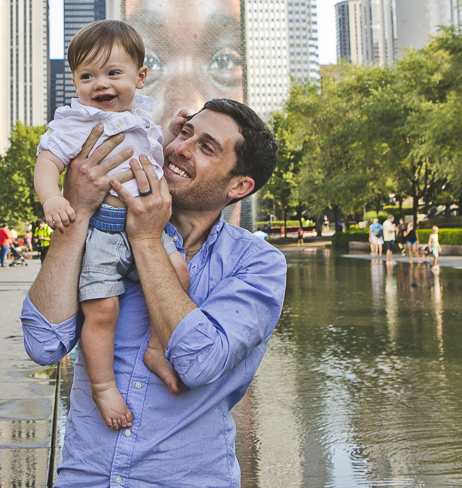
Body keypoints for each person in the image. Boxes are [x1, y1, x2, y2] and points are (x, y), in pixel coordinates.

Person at [22, 98, 285, 486]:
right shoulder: (100, 235)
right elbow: (43, 344)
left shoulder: (258, 264)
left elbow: (198, 363)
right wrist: (76, 216)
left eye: (206, 147)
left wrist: (146, 240)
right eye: (185, 132)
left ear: (239, 186)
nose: (180, 148)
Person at [33, 20, 191, 429]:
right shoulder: (76, 121)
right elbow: (47, 162)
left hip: (149, 228)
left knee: (179, 275)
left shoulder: (141, 116)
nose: (99, 83)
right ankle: (103, 387)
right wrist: (53, 197)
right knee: (101, 310)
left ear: (140, 78)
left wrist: (173, 132)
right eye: (87, 75)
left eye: (112, 73)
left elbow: (154, 151)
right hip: (103, 231)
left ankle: (158, 347)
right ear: (74, 81)